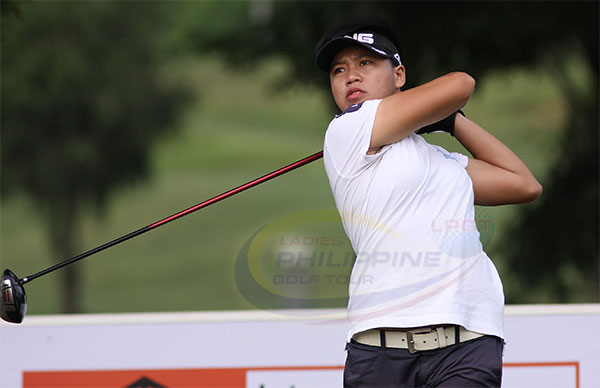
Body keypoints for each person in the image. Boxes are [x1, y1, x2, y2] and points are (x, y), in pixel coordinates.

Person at [315, 18, 542, 387]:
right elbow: (461, 84)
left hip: (466, 344)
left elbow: (523, 184)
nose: (351, 76)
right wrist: (434, 110)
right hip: (379, 348)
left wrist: (452, 122)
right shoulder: (347, 130)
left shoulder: (442, 160)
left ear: (399, 74)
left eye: (365, 63)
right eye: (339, 70)